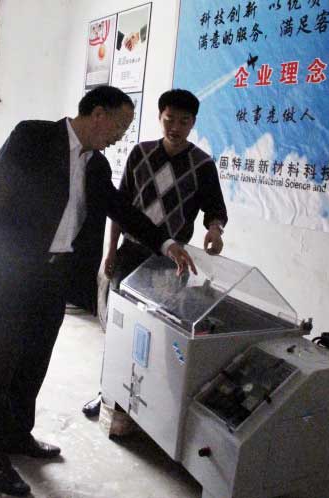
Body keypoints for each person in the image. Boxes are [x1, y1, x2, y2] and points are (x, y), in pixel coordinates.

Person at [0, 85, 196, 497]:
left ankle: (17, 434)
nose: (120, 136)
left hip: (55, 277)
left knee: (33, 361)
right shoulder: (34, 137)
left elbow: (121, 209)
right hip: (11, 271)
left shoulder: (96, 165)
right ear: (98, 114)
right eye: (119, 125)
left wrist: (165, 243)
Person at [82, 88, 228, 418]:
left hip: (171, 263)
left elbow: (215, 210)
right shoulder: (140, 154)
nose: (175, 127)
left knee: (161, 333)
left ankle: (151, 404)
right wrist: (110, 251)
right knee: (119, 327)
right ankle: (109, 394)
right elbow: (119, 206)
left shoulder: (202, 165)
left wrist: (215, 231)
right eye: (169, 119)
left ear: (193, 123)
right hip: (131, 255)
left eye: (184, 122)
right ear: (160, 117)